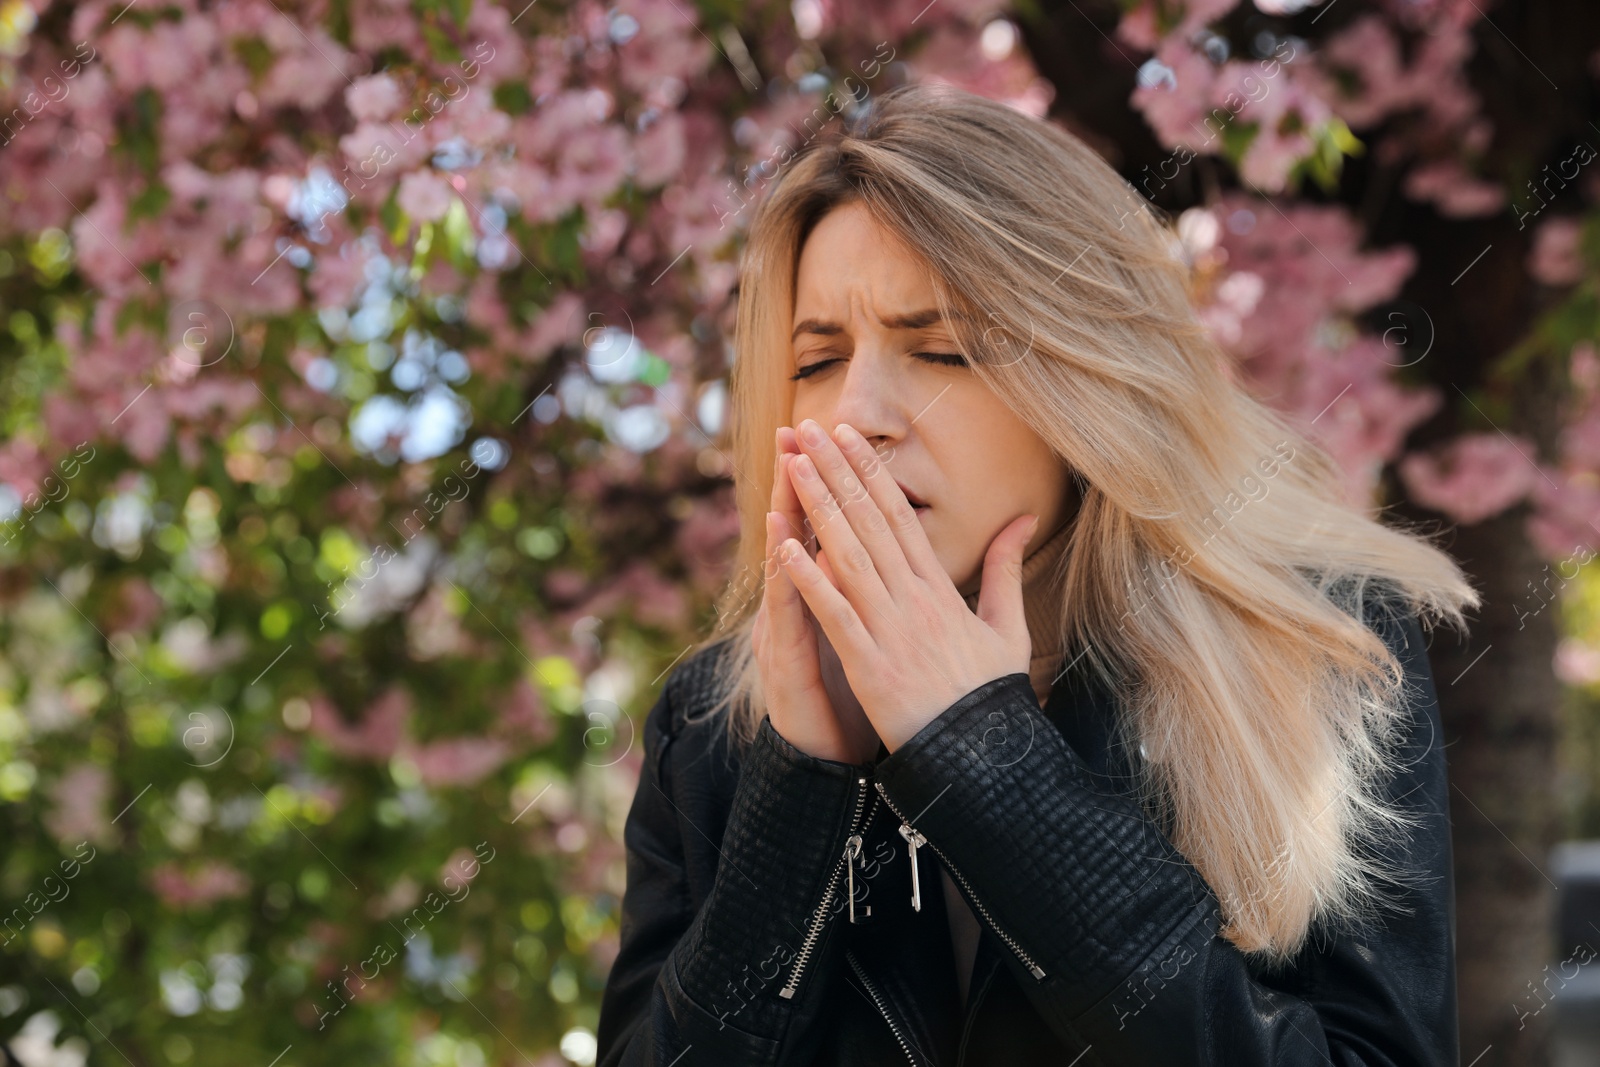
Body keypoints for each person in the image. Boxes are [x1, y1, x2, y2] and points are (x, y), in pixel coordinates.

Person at [595, 81, 1479, 1066]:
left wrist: (983, 761)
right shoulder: (712, 725)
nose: (860, 410)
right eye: (818, 360)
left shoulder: (1314, 649)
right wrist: (799, 783)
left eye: (939, 349)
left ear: (1085, 381)